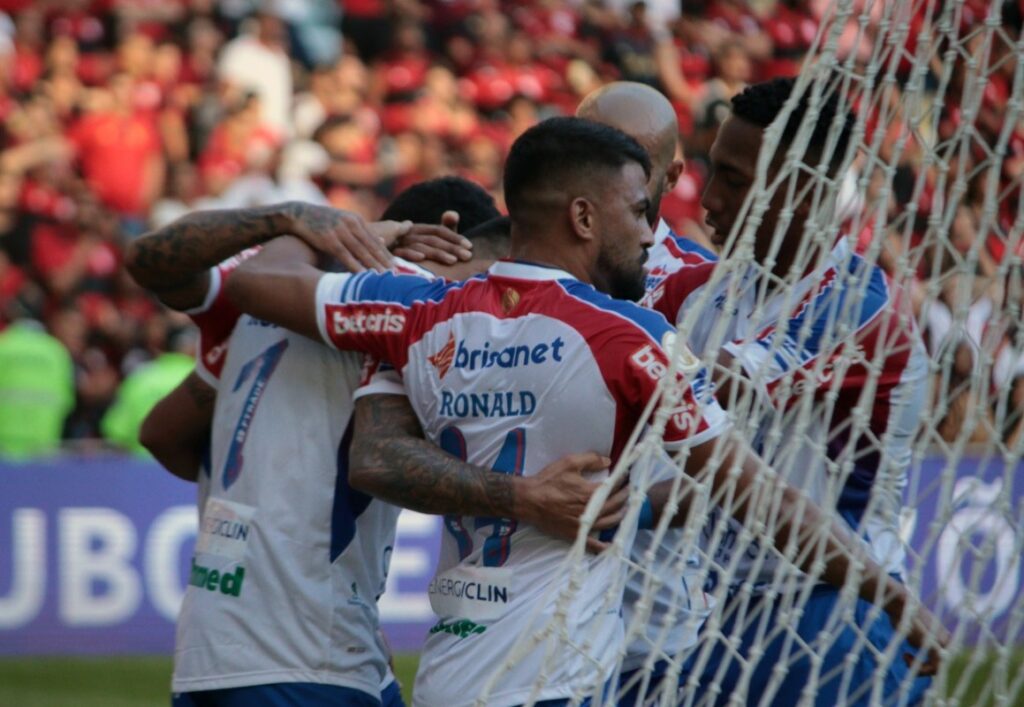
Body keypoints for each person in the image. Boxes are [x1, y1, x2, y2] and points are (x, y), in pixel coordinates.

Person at [225, 117, 947, 706]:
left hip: (450, 671)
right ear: (583, 215)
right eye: (639, 212)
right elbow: (755, 493)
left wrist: (321, 224)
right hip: (557, 676)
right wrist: (882, 587)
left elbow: (263, 283)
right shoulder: (628, 339)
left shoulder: (414, 312)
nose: (649, 233)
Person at [128, 178, 621, 707]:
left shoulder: (258, 300)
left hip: (212, 647)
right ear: (443, 236)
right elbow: (381, 459)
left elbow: (162, 430)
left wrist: (264, 480)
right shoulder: (407, 299)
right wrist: (527, 497)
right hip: (307, 653)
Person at [644, 77, 935, 705]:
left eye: (735, 179)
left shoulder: (862, 308)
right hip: (724, 610)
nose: (710, 197)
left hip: (836, 611)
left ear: (805, 190)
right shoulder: (701, 293)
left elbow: (708, 375)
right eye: (709, 171)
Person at [576, 80, 718, 703]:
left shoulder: (702, 290)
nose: (608, 179)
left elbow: (724, 471)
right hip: (541, 628)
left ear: (672, 174)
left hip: (656, 635)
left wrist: (610, 508)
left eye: (628, 161)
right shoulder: (530, 272)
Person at [0, 319, 74, 458]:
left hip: (3, 441)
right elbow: (67, 400)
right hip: (43, 443)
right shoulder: (56, 351)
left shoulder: (3, 345)